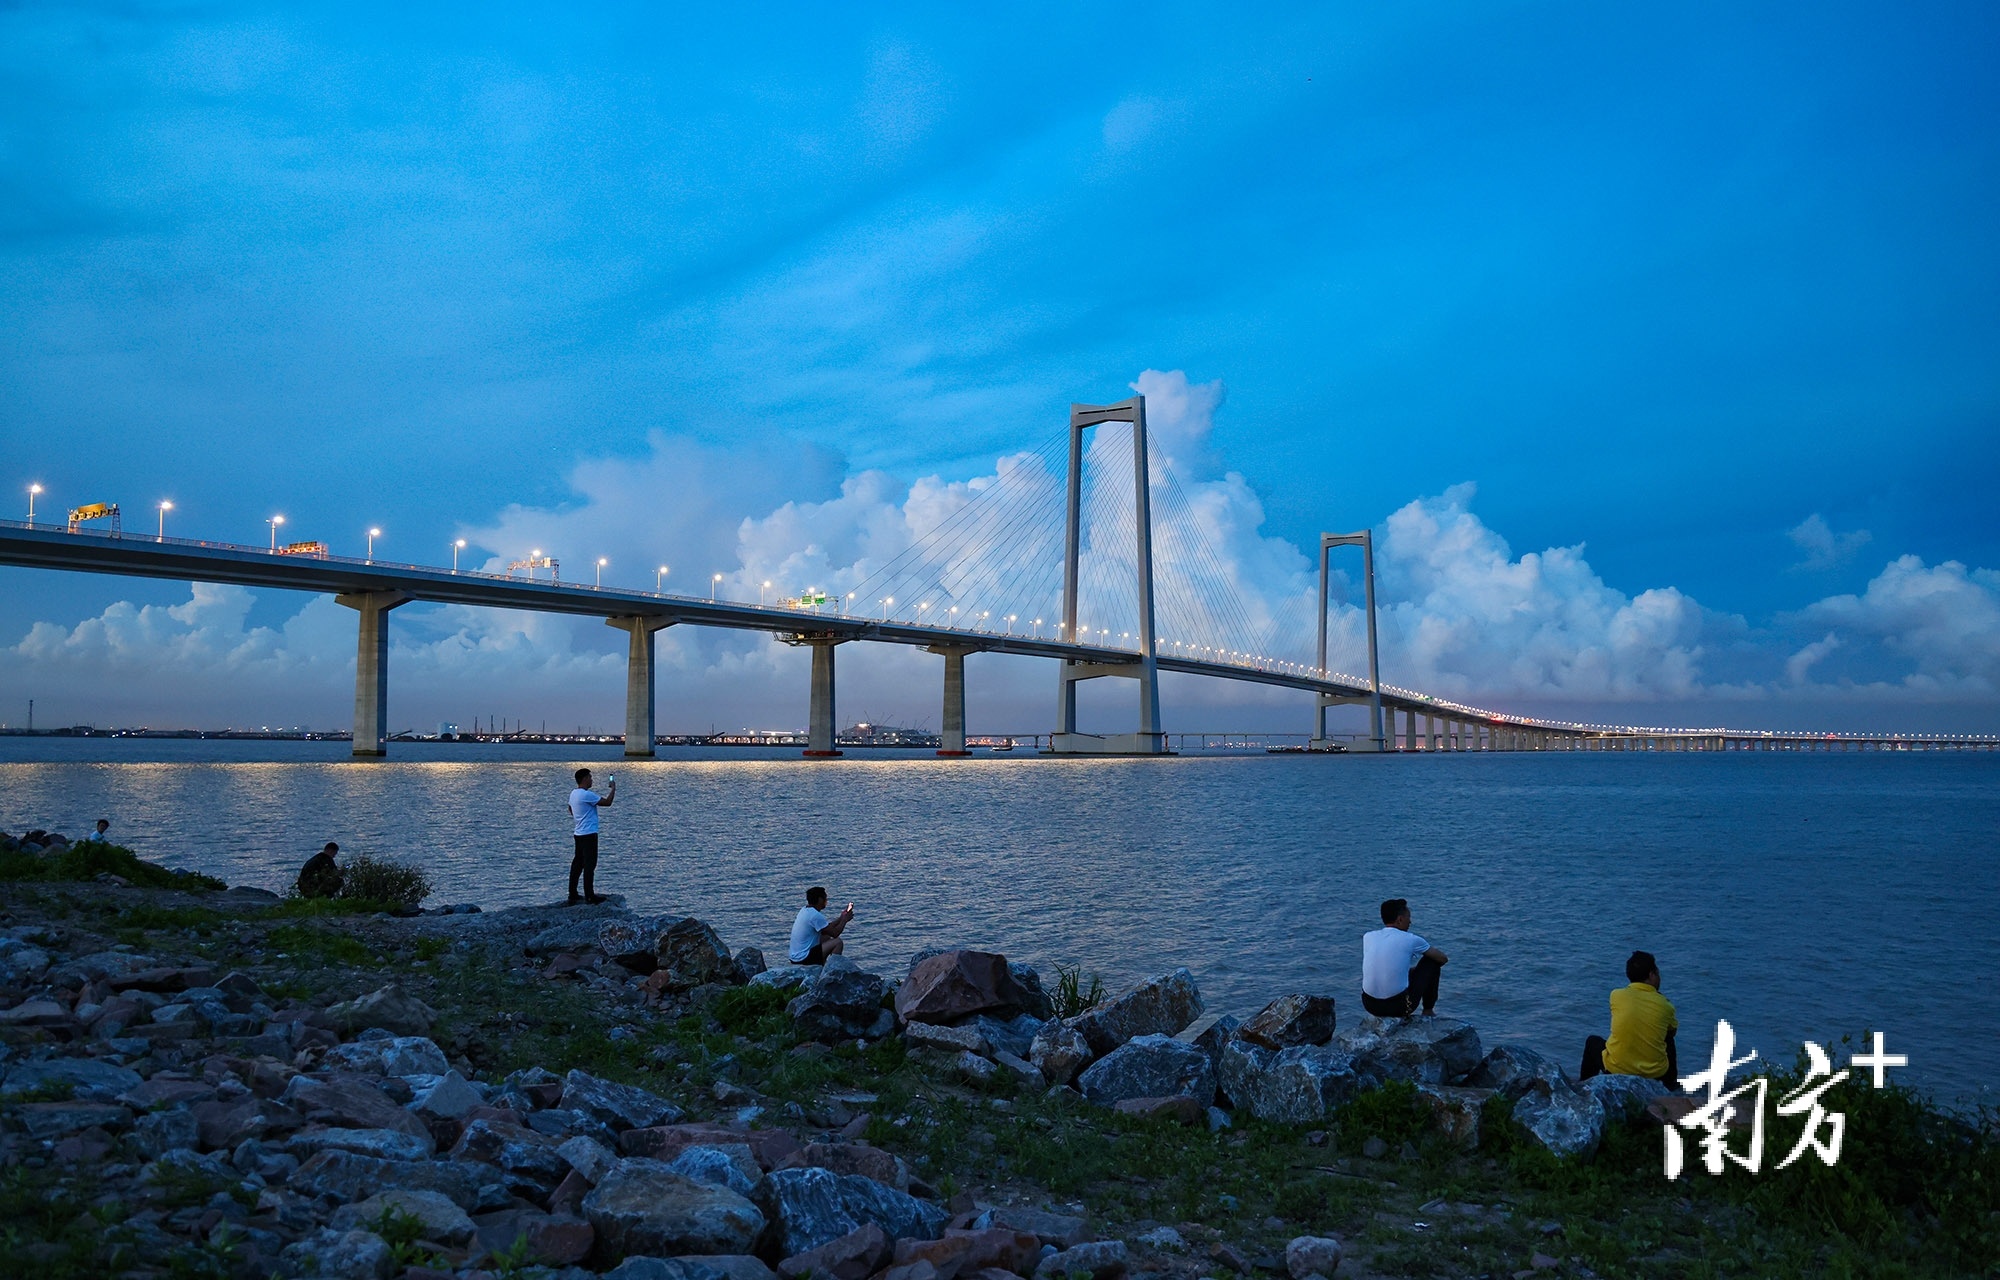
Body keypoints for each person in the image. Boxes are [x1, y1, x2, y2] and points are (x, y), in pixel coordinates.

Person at [1580, 951, 1679, 1088]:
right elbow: (1672, 1032)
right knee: (1668, 1037)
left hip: (1616, 1068)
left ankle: (1585, 1088)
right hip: (1654, 1074)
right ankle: (1670, 1085)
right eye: (1657, 973)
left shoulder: (1616, 995)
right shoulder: (1666, 1005)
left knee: (1592, 1042)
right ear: (1651, 975)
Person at [1361, 897, 1450, 1017]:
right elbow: (1442, 959)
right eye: (1409, 917)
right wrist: (1420, 973)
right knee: (1432, 962)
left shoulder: (1368, 937)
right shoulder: (1411, 939)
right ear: (1400, 919)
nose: (1410, 922)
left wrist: (1410, 972)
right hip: (1400, 1007)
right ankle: (1428, 1010)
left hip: (1370, 1005)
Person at [567, 767, 616, 905]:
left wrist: (579, 818)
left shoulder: (573, 793)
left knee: (577, 864)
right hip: (589, 834)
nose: (591, 780)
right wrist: (613, 789)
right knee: (590, 865)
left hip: (578, 833)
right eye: (590, 777)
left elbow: (570, 808)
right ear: (584, 779)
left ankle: (573, 893)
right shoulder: (586, 795)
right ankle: (590, 896)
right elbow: (607, 802)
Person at [789, 886, 854, 965]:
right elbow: (835, 933)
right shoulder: (815, 915)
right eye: (825, 899)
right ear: (820, 899)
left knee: (826, 937)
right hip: (802, 958)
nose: (826, 901)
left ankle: (822, 964)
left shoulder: (805, 910)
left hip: (795, 956)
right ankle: (833, 969)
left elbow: (826, 928)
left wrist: (841, 918)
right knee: (838, 942)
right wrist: (845, 920)